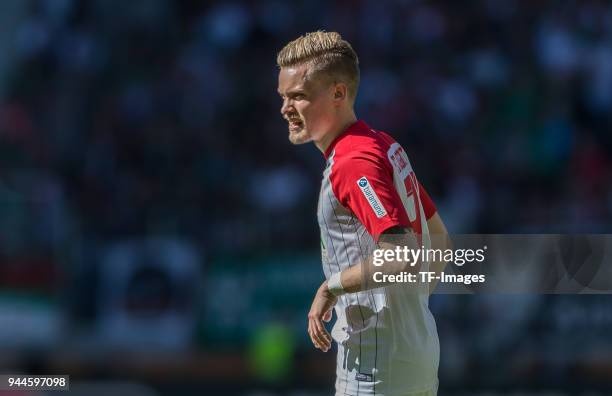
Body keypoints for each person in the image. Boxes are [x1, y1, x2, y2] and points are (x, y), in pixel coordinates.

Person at [277, 31, 449, 396]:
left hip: (376, 361)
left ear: (338, 93)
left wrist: (331, 287)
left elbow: (400, 253)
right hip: (415, 349)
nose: (286, 108)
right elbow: (439, 239)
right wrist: (410, 306)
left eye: (298, 96)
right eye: (284, 97)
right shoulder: (381, 145)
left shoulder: (353, 161)